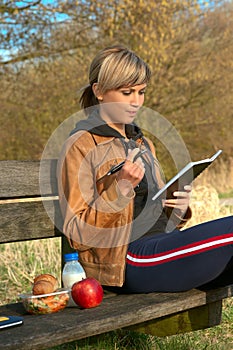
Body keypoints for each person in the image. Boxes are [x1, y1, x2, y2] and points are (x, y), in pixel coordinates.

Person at [57, 45, 233, 293]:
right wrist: (120, 189)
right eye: (127, 92)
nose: (136, 102)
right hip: (128, 260)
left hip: (161, 245)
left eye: (141, 92)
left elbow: (156, 216)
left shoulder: (143, 143)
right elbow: (76, 233)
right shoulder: (81, 145)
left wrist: (178, 210)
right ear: (99, 91)